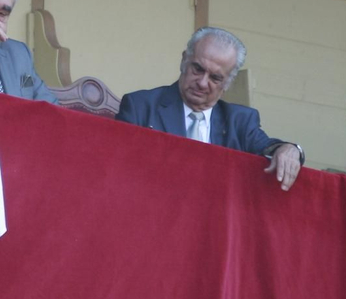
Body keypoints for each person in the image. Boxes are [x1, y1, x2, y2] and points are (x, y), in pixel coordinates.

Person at [116, 27, 304, 191]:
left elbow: (268, 147)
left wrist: (291, 149)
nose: (202, 83)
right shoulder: (140, 106)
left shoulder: (240, 121)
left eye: (215, 78)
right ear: (183, 61)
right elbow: (120, 170)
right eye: (197, 69)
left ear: (228, 82)